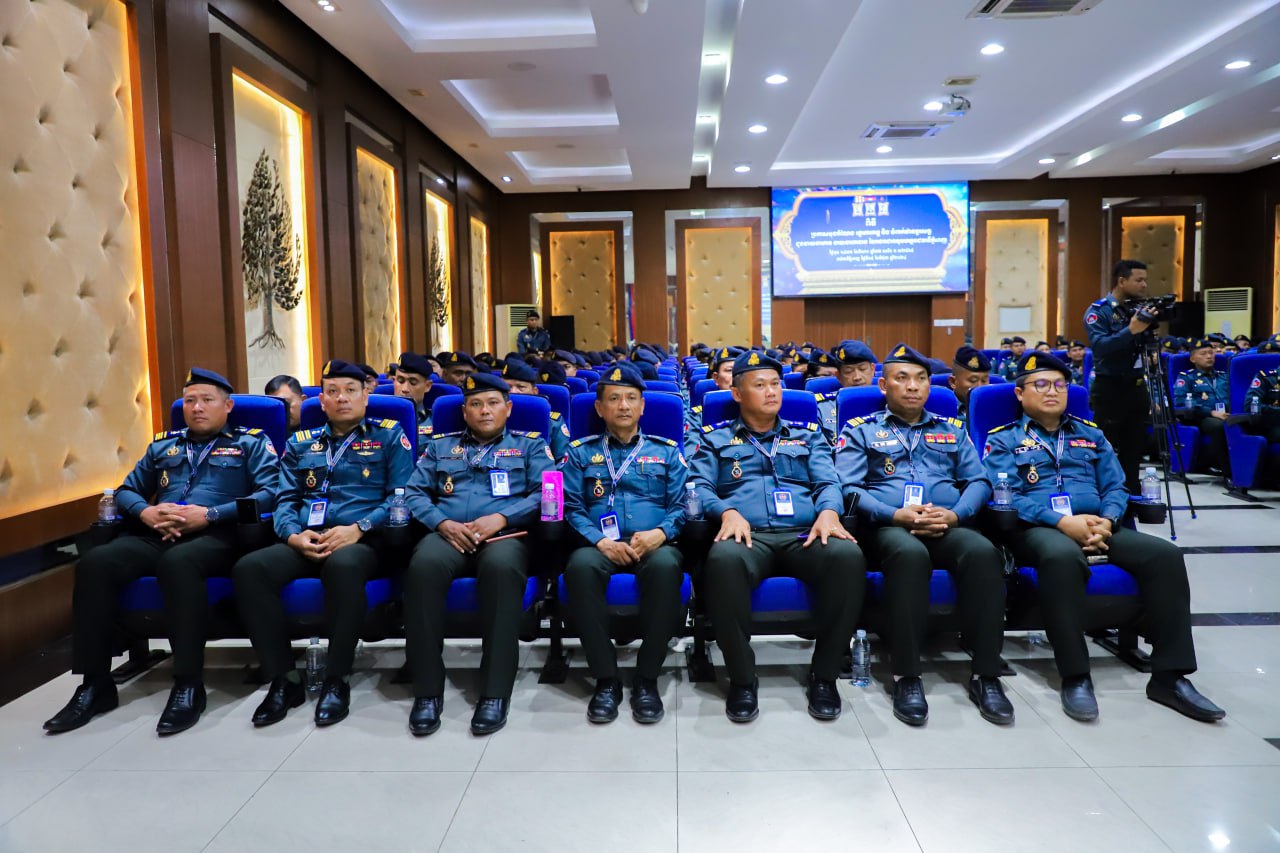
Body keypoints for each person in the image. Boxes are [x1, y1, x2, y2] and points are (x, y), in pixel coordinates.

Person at [982, 352, 1224, 723]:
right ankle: (1075, 675)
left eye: (1060, 385)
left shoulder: (1090, 434)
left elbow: (1115, 486)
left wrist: (1108, 521)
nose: (1052, 391)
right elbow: (1006, 495)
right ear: (1019, 393)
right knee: (1062, 557)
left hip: (1099, 525)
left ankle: (1170, 677)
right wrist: (1063, 523)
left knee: (1165, 556)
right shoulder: (1003, 439)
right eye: (1041, 384)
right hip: (1037, 530)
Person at [44, 369, 280, 736]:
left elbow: (270, 492)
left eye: (207, 400)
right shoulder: (162, 446)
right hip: (159, 531)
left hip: (219, 535)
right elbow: (126, 491)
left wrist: (211, 514)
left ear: (228, 406)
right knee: (95, 564)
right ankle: (95, 684)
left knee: (178, 563)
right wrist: (146, 512)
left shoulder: (251, 443)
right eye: (190, 401)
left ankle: (188, 684)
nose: (197, 408)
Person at [835, 344, 1011, 726]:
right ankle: (907, 675)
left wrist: (956, 514)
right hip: (888, 527)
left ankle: (986, 675)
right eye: (902, 378)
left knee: (983, 553)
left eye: (920, 379)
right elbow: (848, 487)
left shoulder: (952, 430)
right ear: (884, 385)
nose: (913, 386)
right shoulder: (861, 430)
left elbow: (979, 481)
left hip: (946, 522)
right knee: (909, 556)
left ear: (931, 386)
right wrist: (894, 515)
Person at [233, 360, 414, 727]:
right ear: (321, 400)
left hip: (366, 540)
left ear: (366, 396)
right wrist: (293, 535)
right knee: (250, 570)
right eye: (332, 391)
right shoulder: (301, 443)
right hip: (308, 537)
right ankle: (284, 679)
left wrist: (359, 528)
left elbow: (401, 496)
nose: (341, 398)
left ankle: (337, 677)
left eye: (350, 390)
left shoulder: (390, 436)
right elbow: (286, 499)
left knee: (343, 567)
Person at [690, 351, 866, 723]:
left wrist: (829, 512)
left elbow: (827, 482)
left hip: (803, 533)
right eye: (760, 385)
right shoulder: (715, 439)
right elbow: (699, 486)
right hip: (747, 535)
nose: (772, 392)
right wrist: (726, 511)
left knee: (848, 557)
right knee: (723, 560)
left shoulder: (807, 436)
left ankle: (824, 676)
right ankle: (742, 679)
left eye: (776, 384)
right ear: (737, 393)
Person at [401, 372, 554, 736]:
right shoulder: (440, 447)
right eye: (476, 404)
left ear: (508, 408)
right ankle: (427, 692)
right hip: (448, 534)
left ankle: (494, 692)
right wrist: (442, 523)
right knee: (422, 568)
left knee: (502, 571)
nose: (485, 411)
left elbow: (548, 492)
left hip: (505, 536)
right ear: (464, 412)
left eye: (493, 403)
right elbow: (414, 492)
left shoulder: (531, 446)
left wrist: (502, 517)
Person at [562, 364, 687, 724]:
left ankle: (647, 679)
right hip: (598, 544)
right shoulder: (579, 453)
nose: (623, 406)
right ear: (599, 407)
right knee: (579, 568)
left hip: (655, 543)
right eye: (614, 398)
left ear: (643, 406)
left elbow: (683, 505)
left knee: (667, 567)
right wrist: (600, 541)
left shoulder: (666, 452)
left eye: (631, 398)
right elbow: (571, 507)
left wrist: (661, 533)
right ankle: (606, 679)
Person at [1085, 259, 1160, 493]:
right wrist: (1131, 330)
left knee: (1134, 447)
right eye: (1139, 280)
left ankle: (1133, 493)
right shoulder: (1099, 311)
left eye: (1145, 280)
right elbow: (1100, 346)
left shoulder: (1139, 310)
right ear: (1121, 281)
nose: (1144, 285)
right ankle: (1102, 493)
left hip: (1136, 386)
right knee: (1104, 446)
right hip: (1110, 387)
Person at [1172, 338, 1230, 476]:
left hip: (1226, 414)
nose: (1209, 356)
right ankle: (1229, 474)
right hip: (1200, 416)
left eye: (1211, 353)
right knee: (1218, 426)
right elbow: (1181, 401)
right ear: (1193, 358)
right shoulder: (1187, 377)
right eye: (1203, 354)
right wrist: (1211, 412)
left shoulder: (1224, 376)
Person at [503, 358, 571, 463]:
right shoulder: (489, 417)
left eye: (520, 387)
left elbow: (561, 463)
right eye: (508, 387)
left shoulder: (551, 422)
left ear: (534, 392)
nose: (513, 392)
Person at [816, 341, 877, 440]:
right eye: (848, 371)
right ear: (838, 376)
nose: (857, 377)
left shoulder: (887, 402)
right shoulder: (822, 408)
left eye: (862, 369)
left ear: (873, 369)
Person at [393, 352, 435, 445]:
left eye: (413, 382)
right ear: (394, 381)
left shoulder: (437, 422)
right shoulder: (378, 419)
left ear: (427, 386)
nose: (405, 389)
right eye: (400, 381)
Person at [948, 345, 992, 427]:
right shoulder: (942, 408)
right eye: (973, 380)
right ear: (953, 382)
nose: (979, 387)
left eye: (984, 380)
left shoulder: (994, 406)